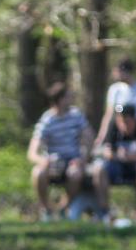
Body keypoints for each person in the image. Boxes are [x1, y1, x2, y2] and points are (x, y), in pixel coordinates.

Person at [27, 82, 93, 221]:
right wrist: (43, 161)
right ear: (60, 100)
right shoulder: (47, 120)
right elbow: (32, 152)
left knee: (75, 174)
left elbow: (88, 136)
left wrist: (83, 158)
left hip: (73, 160)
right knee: (38, 173)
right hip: (53, 162)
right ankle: (47, 210)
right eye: (69, 97)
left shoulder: (76, 115)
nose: (72, 99)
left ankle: (63, 209)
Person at [92, 104, 136, 223]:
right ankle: (104, 212)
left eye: (127, 121)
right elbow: (108, 152)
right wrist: (118, 155)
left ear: (135, 119)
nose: (123, 124)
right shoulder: (114, 126)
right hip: (119, 166)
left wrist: (130, 156)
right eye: (120, 120)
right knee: (99, 170)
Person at [95, 58, 136, 146]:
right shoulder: (115, 89)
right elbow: (109, 114)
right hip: (123, 133)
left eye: (117, 71)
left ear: (126, 71)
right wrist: (101, 136)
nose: (115, 75)